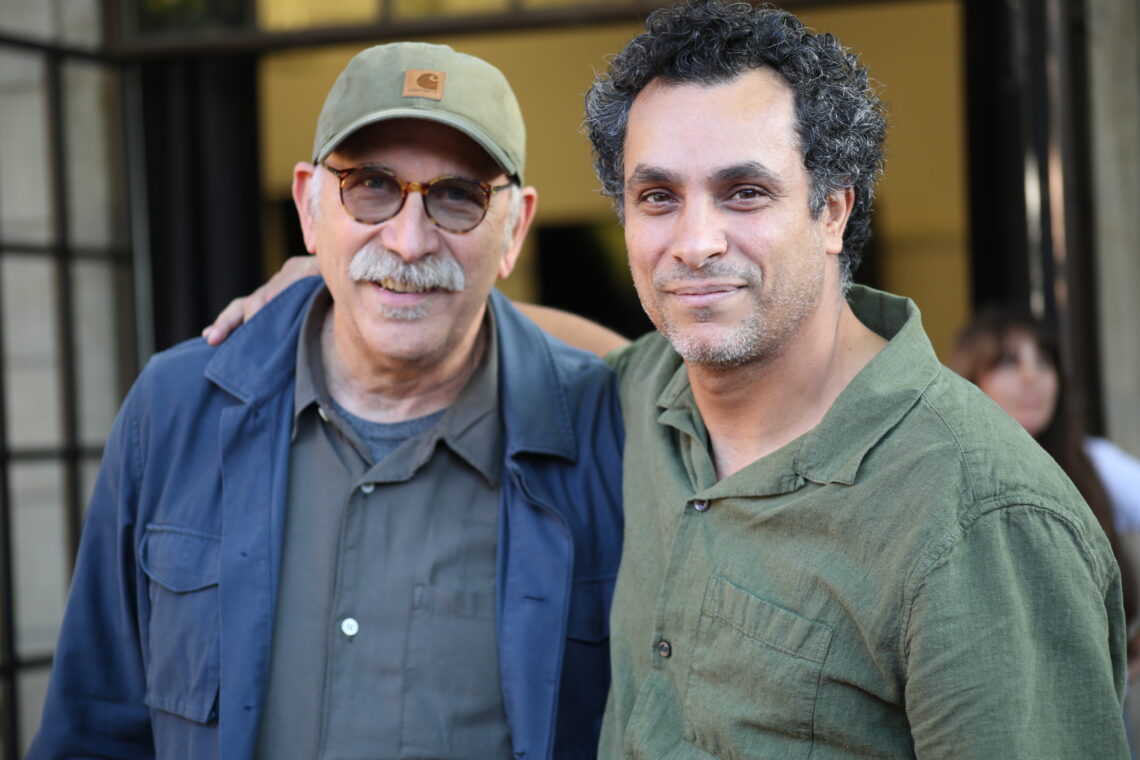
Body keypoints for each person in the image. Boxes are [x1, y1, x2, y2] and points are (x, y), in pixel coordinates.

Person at [208, 1, 1130, 756]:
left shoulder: (982, 516)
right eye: (657, 197)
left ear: (834, 209)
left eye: (745, 192)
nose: (694, 242)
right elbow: (575, 341)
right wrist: (347, 275)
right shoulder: (651, 396)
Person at [28, 42, 624, 760]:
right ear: (311, 207)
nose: (408, 242)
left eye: (458, 197)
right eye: (370, 186)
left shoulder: (602, 431)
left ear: (515, 230)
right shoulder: (176, 407)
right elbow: (92, 731)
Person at [951, 306, 1140, 633]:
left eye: (1043, 360)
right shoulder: (948, 476)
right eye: (1010, 361)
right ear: (970, 378)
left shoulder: (1094, 461)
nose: (1032, 377)